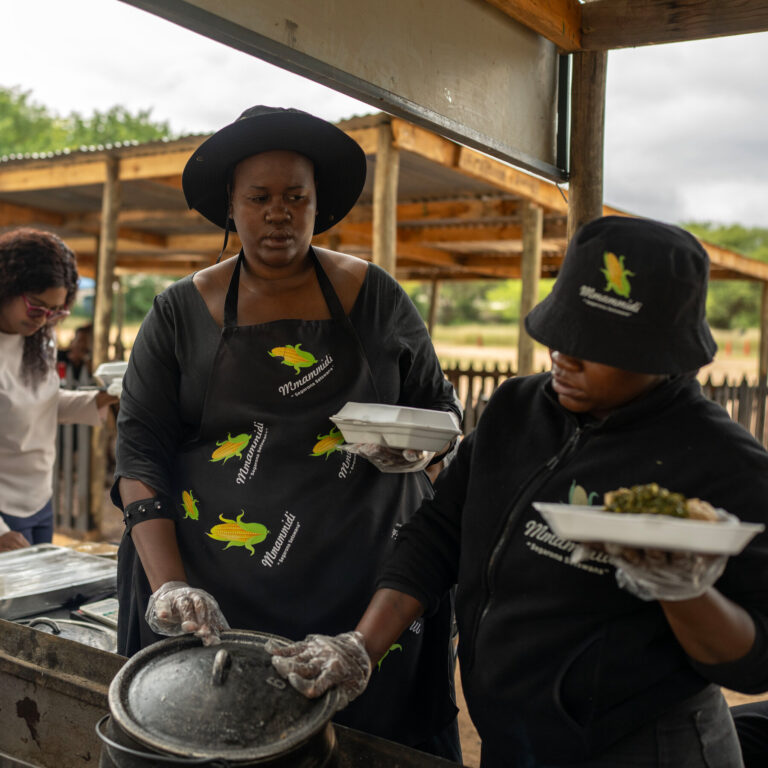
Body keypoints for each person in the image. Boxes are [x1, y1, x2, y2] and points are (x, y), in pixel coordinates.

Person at [268, 215, 768, 767]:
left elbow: (754, 662)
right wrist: (362, 647)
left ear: (663, 353)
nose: (563, 354)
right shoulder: (516, 411)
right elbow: (437, 535)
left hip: (644, 749)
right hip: (517, 743)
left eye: (593, 344)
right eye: (561, 331)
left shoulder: (725, 466)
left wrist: (683, 590)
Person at [112, 106, 463, 759]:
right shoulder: (181, 310)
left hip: (361, 585)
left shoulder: (375, 294)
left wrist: (423, 446)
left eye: (296, 198)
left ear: (317, 204)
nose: (279, 213)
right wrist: (170, 586)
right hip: (216, 592)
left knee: (369, 747)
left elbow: (444, 418)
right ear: (231, 206)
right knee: (218, 737)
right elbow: (140, 450)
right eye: (261, 198)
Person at [0, 229, 117, 551]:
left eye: (56, 311)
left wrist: (100, 398)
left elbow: (37, 403)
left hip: (39, 498)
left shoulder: (38, 340)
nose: (45, 319)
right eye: (37, 307)